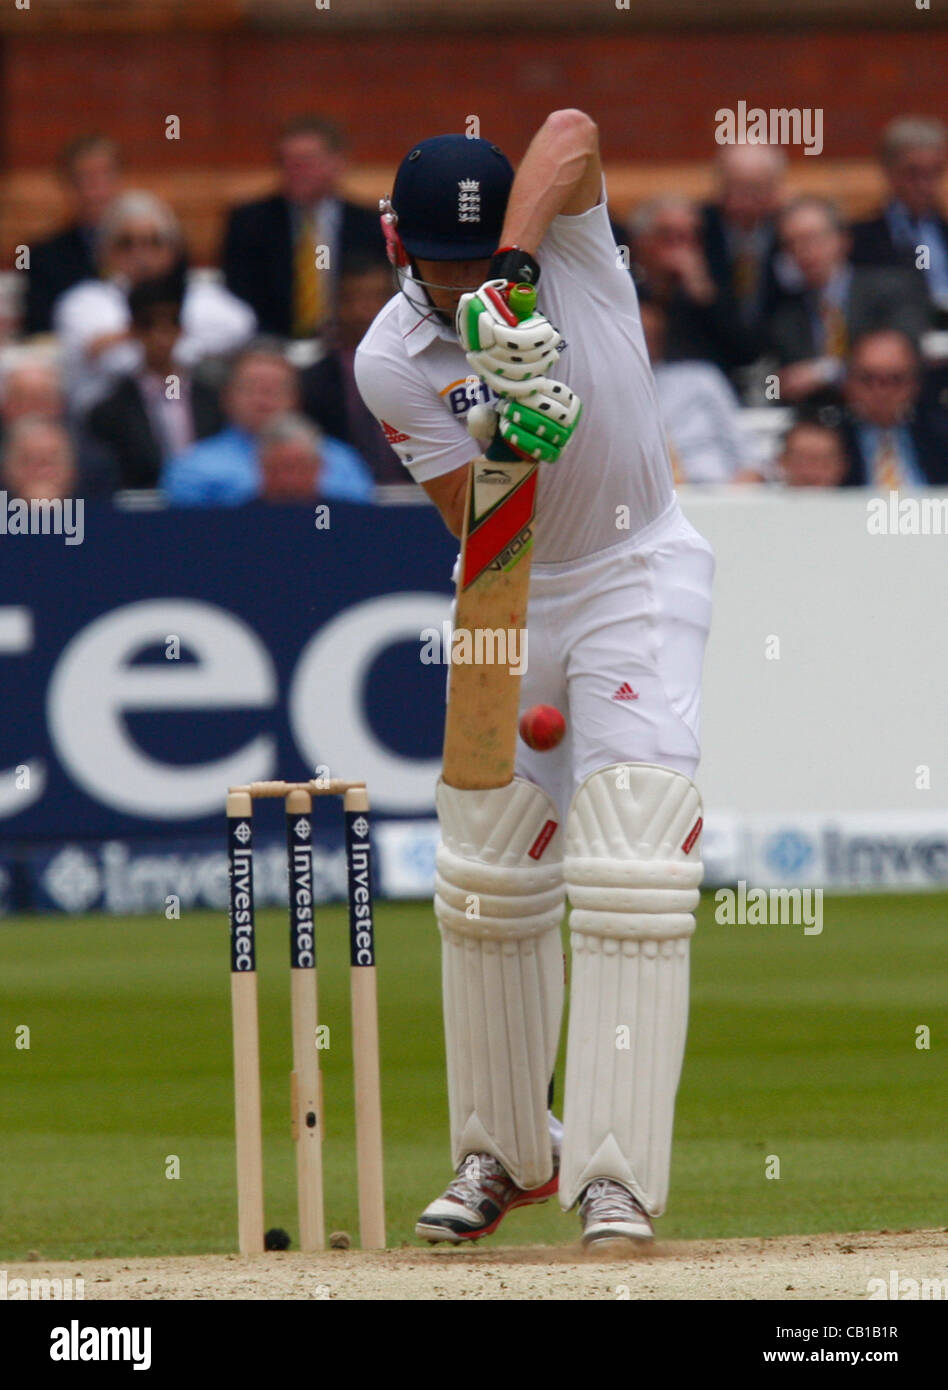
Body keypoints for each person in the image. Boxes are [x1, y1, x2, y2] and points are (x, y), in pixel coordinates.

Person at [356, 111, 714, 1248]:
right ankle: (507, 1153)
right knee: (482, 877)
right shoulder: (388, 359)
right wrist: (518, 435)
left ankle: (615, 1177)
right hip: (510, 586)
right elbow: (481, 530)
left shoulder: (560, 246)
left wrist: (509, 279)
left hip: (635, 570)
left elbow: (571, 131)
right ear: (394, 241)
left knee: (631, 858)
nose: (455, 280)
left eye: (476, 253)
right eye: (441, 261)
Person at [53, 191, 256, 414]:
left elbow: (241, 328)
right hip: (111, 421)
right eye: (127, 243)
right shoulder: (85, 301)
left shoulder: (200, 295)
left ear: (173, 250)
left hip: (192, 414)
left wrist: (133, 336)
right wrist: (180, 342)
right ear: (106, 252)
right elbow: (109, 358)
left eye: (153, 242)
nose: (141, 254)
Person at [222, 115, 385, 340]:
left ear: (338, 162)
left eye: (306, 161)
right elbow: (238, 296)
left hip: (352, 344)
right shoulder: (251, 222)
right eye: (286, 161)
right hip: (271, 345)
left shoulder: (370, 225)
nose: (295, 170)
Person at [161, 340, 373, 506]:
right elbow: (187, 529)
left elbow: (356, 518)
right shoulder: (192, 466)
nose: (262, 399)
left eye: (274, 389)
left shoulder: (342, 460)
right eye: (251, 388)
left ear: (297, 399)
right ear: (226, 397)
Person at [767, 196, 931, 405]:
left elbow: (904, 351)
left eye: (811, 239)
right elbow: (776, 378)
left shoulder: (889, 290)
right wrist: (778, 386)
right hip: (820, 421)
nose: (802, 251)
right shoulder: (786, 314)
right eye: (791, 244)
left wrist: (824, 373)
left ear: (843, 240)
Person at [84, 275, 222, 490]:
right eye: (149, 324)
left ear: (182, 328)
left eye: (171, 322)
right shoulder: (110, 412)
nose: (161, 334)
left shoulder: (215, 400)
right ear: (132, 330)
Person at [300, 257, 410, 484]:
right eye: (352, 299)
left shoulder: (422, 369)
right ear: (336, 305)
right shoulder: (313, 381)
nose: (363, 311)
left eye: (375, 298)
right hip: (344, 498)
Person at [24, 135, 123, 336]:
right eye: (85, 180)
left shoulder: (152, 247)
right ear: (67, 187)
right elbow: (40, 330)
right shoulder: (45, 258)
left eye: (105, 177)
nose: (97, 191)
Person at [850, 117, 948, 319]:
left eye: (934, 172)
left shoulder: (943, 230)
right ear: (888, 171)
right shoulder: (859, 239)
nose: (924, 185)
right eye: (913, 173)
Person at [838, 329, 948, 486]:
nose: (882, 392)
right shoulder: (831, 441)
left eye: (896, 379)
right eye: (868, 379)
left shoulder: (940, 436)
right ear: (848, 382)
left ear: (915, 384)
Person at [776, 418, 848, 488]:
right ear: (783, 461)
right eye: (800, 461)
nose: (810, 472)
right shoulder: (766, 499)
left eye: (823, 462)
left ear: (841, 465)